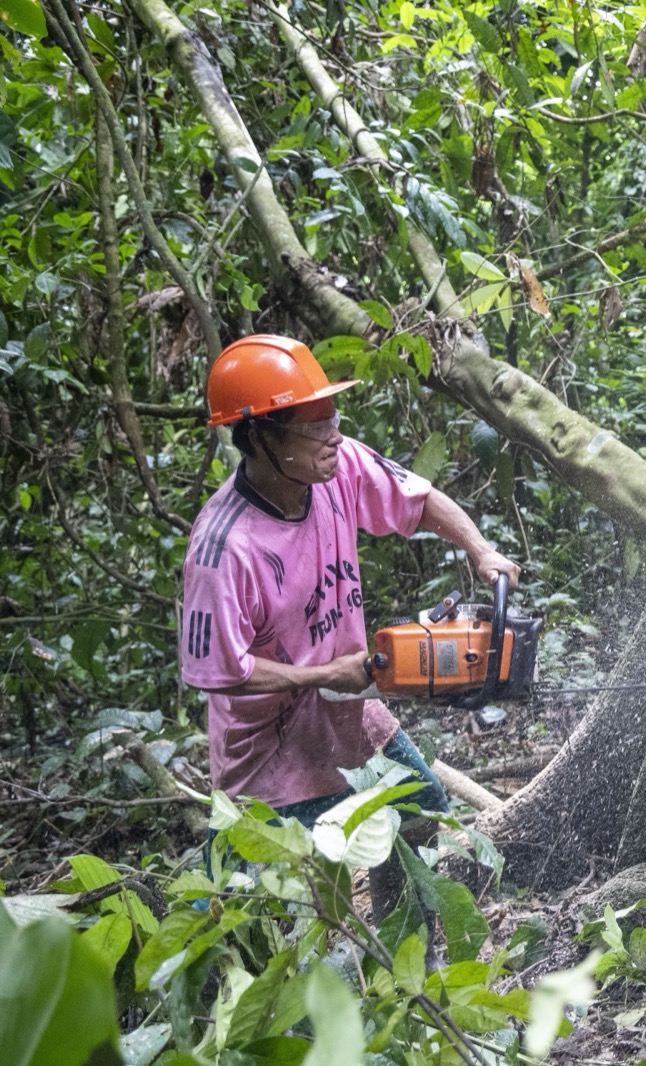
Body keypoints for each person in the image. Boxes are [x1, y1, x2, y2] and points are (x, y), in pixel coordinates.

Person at [179, 333, 519, 911]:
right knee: (247, 904)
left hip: (351, 713)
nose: (332, 434)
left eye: (331, 415)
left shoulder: (339, 466)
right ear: (260, 435)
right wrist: (323, 674)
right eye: (314, 424)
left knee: (419, 811)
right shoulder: (224, 549)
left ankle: (407, 971)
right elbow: (221, 672)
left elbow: (418, 498)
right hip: (266, 754)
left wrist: (478, 549)